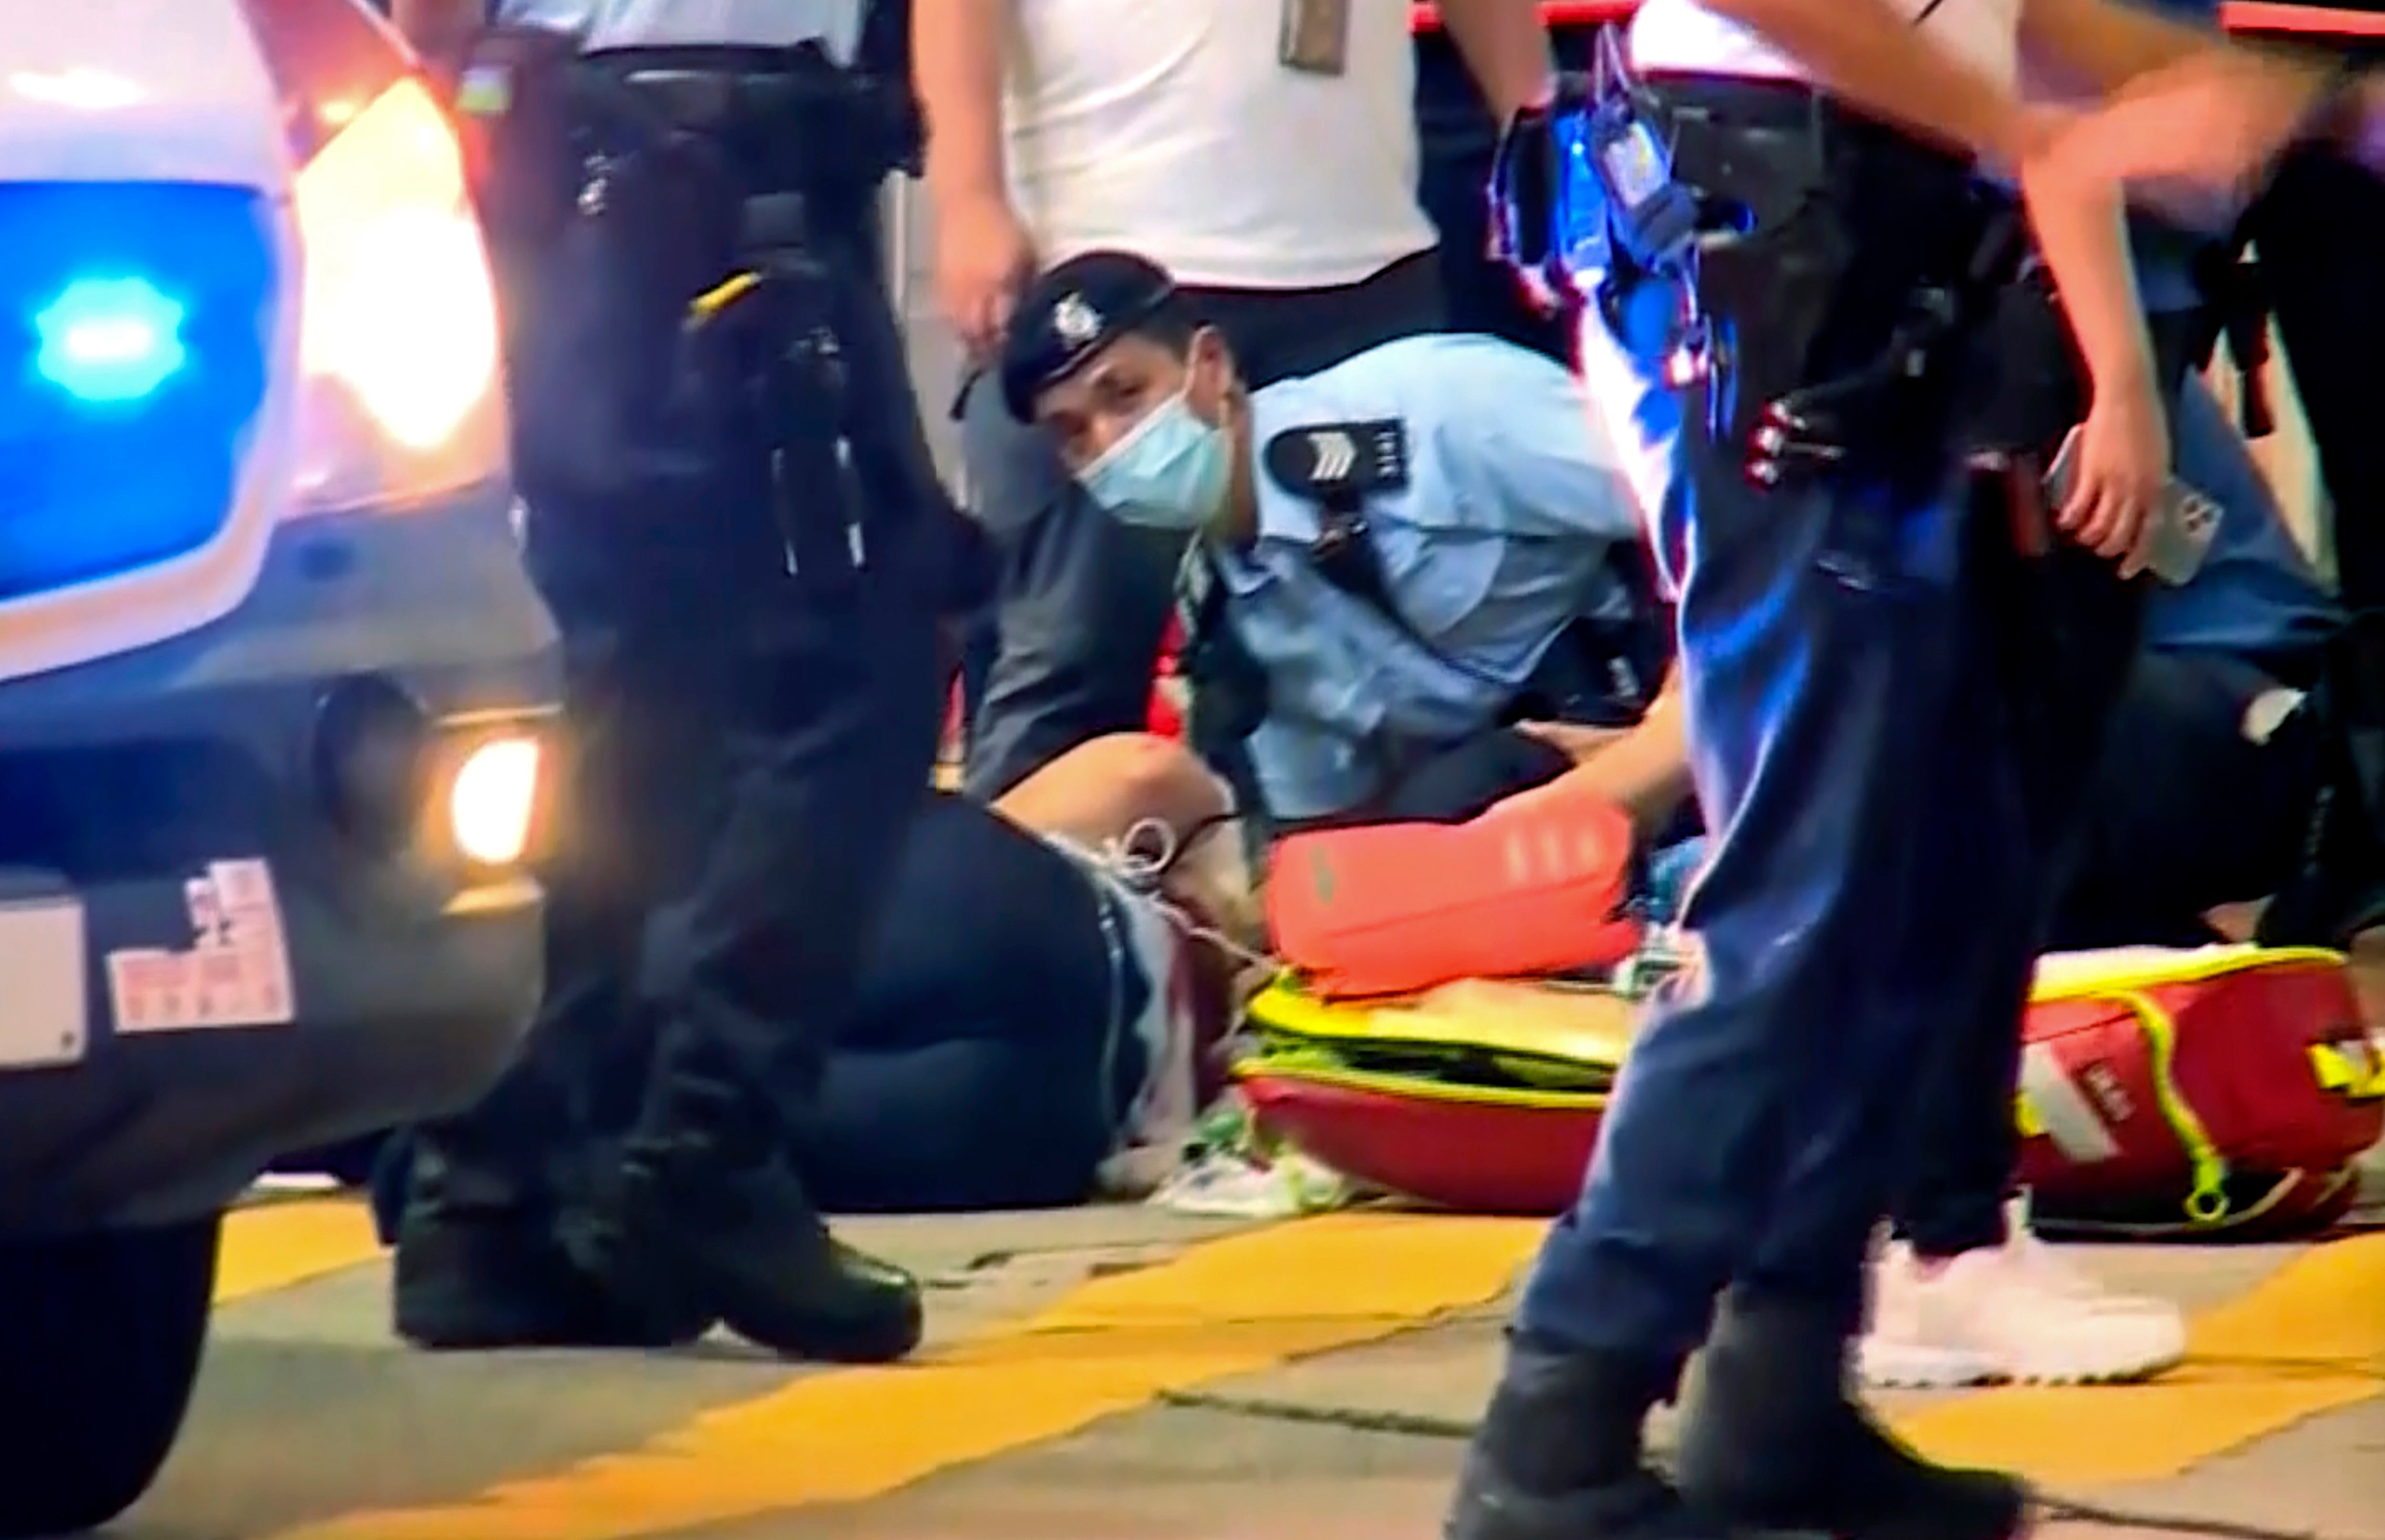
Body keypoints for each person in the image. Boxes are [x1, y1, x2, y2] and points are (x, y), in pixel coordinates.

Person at [1439, 2, 2385, 1538]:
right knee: (1807, 892)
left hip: (1888, 251)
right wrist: (2033, 137)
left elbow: (2017, 23)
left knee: (1928, 869)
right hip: (1770, 241)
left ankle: (1779, 1387)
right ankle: (1563, 1418)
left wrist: (2254, 100)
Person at [384, 0, 957, 1361]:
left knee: (622, 686)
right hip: (718, 177)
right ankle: (707, 1142)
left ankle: (493, 1196)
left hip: (573, 175)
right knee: (862, 657)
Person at [917, 0, 1556, 802]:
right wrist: (968, 194)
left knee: (1372, 690)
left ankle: (1340, 912)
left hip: (1360, 260)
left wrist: (1537, 124)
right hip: (1112, 257)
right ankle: (1015, 921)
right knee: (1066, 684)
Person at [1861, 373, 2341, 1391]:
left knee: (1945, 784)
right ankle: (1933, 1238)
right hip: (2214, 715)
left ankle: (1937, 1239)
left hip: (2228, 714)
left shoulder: (1994, 326)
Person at [995, 248, 1682, 842]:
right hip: (1532, 810)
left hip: (1700, 710)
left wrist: (1662, 740)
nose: (1108, 444)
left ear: (1211, 365)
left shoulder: (1437, 413)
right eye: (1072, 432)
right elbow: (1327, 827)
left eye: (1126, 394)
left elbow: (1737, 527)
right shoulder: (1224, 613)